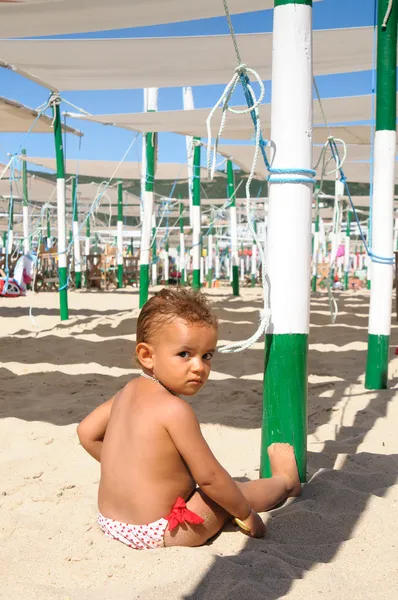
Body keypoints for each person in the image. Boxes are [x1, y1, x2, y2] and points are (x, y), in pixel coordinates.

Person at [77, 287, 301, 550]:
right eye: (185, 354)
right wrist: (246, 515)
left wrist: (133, 469)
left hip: (111, 523)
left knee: (220, 489)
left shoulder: (127, 391)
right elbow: (210, 478)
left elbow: (86, 432)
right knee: (225, 492)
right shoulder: (175, 410)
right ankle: (285, 482)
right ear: (147, 355)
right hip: (163, 531)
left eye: (207, 355)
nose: (199, 367)